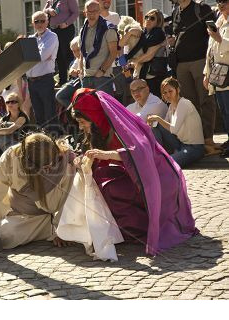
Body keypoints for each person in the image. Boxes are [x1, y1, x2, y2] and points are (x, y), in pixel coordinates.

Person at [68, 88, 198, 255]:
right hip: (133, 175)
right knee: (98, 179)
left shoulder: (120, 126)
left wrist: (105, 154)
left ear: (93, 116)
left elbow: (140, 153)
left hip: (159, 179)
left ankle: (135, 227)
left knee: (110, 187)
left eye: (82, 121)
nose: (80, 126)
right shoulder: (97, 130)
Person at [171, 0, 219, 154]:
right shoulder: (175, 11)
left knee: (206, 100)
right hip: (181, 64)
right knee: (189, 105)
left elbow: (214, 33)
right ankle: (197, 140)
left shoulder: (202, 8)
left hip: (200, 61)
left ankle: (208, 139)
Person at [148, 77, 205, 168]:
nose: (167, 95)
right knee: (155, 125)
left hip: (194, 148)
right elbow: (164, 126)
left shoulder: (184, 103)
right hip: (180, 144)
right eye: (165, 92)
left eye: (170, 91)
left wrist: (158, 118)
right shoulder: (171, 106)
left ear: (177, 90)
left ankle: (163, 158)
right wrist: (153, 121)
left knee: (166, 165)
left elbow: (173, 129)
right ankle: (156, 155)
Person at [204, 0, 229, 158]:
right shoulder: (219, 21)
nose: (221, 5)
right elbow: (210, 50)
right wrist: (206, 73)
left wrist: (219, 38)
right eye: (219, 2)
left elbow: (220, 42)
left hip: (227, 73)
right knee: (225, 112)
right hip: (218, 75)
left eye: (225, 2)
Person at [26, 11, 59, 130]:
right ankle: (43, 143)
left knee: (49, 113)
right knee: (38, 114)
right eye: (36, 21)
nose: (39, 24)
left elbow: (42, 55)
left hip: (45, 79)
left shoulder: (52, 36)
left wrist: (33, 56)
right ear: (32, 24)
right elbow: (27, 58)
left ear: (47, 22)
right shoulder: (30, 39)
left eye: (42, 21)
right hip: (31, 81)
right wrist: (37, 56)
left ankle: (55, 142)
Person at [124, 10, 168, 98]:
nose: (148, 20)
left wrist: (133, 61)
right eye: (146, 17)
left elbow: (148, 56)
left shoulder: (158, 32)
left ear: (158, 21)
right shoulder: (144, 33)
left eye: (152, 18)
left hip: (154, 74)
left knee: (154, 100)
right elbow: (127, 46)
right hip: (145, 73)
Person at [79, 1, 118, 95]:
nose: (92, 14)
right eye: (89, 11)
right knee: (88, 109)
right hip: (86, 77)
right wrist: (81, 71)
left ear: (100, 11)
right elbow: (82, 52)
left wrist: (102, 71)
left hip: (102, 77)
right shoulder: (83, 30)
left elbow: (114, 53)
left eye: (95, 11)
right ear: (85, 13)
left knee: (105, 109)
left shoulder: (108, 28)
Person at [44, 0, 79, 87]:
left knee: (67, 54)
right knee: (58, 55)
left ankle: (69, 77)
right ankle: (62, 79)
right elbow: (43, 12)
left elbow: (76, 13)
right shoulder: (51, 1)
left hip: (65, 30)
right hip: (53, 30)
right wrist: (49, 10)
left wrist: (66, 23)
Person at [55, 36, 83, 108]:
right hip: (77, 81)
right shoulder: (77, 59)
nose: (76, 53)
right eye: (74, 51)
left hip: (84, 82)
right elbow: (71, 69)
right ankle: (75, 110)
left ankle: (77, 111)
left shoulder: (86, 57)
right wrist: (73, 71)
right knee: (60, 96)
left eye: (78, 50)